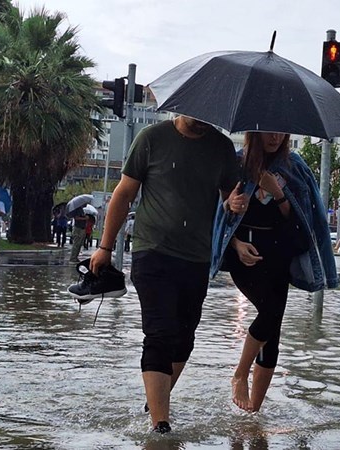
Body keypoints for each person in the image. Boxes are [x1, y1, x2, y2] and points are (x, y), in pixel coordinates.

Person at [88, 115, 240, 433]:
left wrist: (236, 205)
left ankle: (155, 400)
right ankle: (160, 425)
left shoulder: (222, 148)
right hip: (152, 251)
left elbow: (230, 201)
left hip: (197, 257)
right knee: (160, 333)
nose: (202, 122)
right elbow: (123, 193)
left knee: (184, 339)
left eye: (207, 117)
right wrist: (104, 247)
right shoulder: (151, 138)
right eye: (195, 116)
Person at [211, 132, 338, 413]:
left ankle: (253, 414)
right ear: (254, 132)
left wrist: (278, 193)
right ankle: (240, 374)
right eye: (268, 131)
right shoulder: (236, 164)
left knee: (273, 332)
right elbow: (217, 214)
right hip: (244, 255)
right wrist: (234, 233)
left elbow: (298, 221)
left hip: (279, 256)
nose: (274, 137)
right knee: (268, 313)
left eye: (281, 133)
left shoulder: (294, 166)